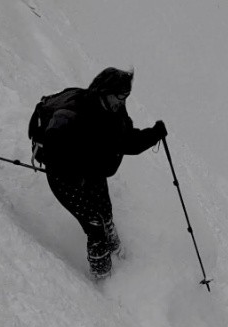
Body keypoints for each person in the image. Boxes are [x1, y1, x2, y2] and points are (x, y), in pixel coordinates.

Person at [28, 68, 167, 279]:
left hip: (92, 169)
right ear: (105, 91)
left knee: (105, 213)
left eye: (126, 96)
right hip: (64, 177)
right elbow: (54, 149)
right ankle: (103, 277)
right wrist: (73, 169)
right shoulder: (72, 114)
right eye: (120, 96)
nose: (123, 101)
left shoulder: (115, 111)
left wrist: (154, 134)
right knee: (95, 226)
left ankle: (117, 252)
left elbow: (127, 141)